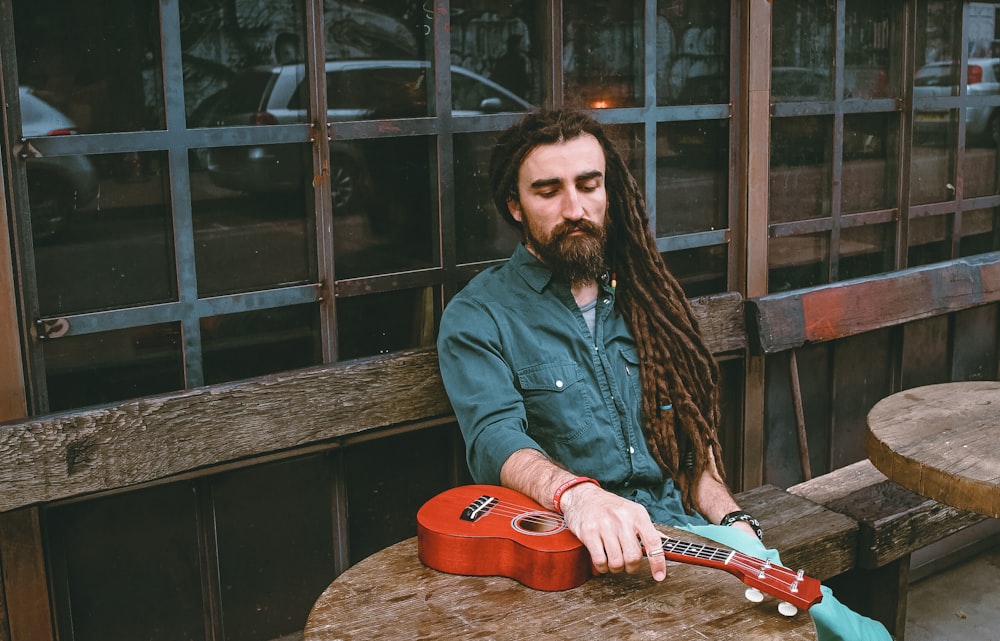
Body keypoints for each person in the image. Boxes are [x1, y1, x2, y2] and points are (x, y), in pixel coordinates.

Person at [437, 109, 892, 641]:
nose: (575, 207)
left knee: (848, 629)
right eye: (548, 190)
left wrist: (731, 522)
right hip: (579, 555)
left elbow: (690, 448)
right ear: (514, 205)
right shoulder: (479, 315)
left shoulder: (646, 299)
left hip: (687, 538)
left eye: (589, 184)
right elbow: (494, 436)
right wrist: (580, 497)